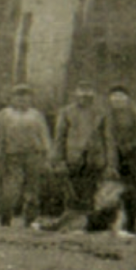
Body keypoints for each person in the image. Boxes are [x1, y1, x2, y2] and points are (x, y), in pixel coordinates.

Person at [0, 84, 52, 229]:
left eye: (25, 97)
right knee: (10, 190)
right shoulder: (5, 114)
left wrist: (48, 154)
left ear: (30, 99)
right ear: (12, 98)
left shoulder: (36, 115)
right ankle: (5, 219)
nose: (22, 100)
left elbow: (44, 135)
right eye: (18, 97)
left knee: (32, 190)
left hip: (33, 156)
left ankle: (30, 220)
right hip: (12, 157)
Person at [51, 82, 108, 230]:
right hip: (73, 157)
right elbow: (60, 137)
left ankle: (90, 224)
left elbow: (108, 138)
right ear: (76, 95)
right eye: (82, 94)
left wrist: (108, 160)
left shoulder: (101, 112)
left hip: (95, 158)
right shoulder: (66, 112)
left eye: (88, 95)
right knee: (72, 192)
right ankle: (70, 224)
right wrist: (57, 159)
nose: (85, 98)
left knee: (92, 191)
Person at [102, 85, 136, 236]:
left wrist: (131, 149)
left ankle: (130, 225)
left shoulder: (134, 115)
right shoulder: (107, 116)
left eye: (121, 97)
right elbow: (108, 139)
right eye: (114, 98)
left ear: (127, 99)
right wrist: (110, 161)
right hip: (111, 157)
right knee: (111, 192)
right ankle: (113, 224)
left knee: (130, 192)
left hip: (131, 157)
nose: (117, 101)